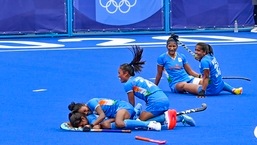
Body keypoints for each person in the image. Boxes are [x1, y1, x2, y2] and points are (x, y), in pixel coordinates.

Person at [118, 45, 195, 128]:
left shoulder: (128, 84)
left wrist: (127, 116)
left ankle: (178, 118)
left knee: (140, 123)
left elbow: (131, 105)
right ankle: (166, 116)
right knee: (147, 118)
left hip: (156, 103)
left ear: (126, 73)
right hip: (164, 99)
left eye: (119, 73)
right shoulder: (138, 79)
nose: (118, 75)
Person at [68, 98, 162, 131]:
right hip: (117, 113)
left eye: (85, 110)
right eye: (84, 113)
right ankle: (136, 111)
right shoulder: (89, 113)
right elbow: (98, 125)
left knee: (119, 123)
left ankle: (149, 124)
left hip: (122, 107)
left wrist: (91, 125)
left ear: (84, 104)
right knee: (106, 124)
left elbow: (102, 116)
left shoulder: (92, 103)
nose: (86, 112)